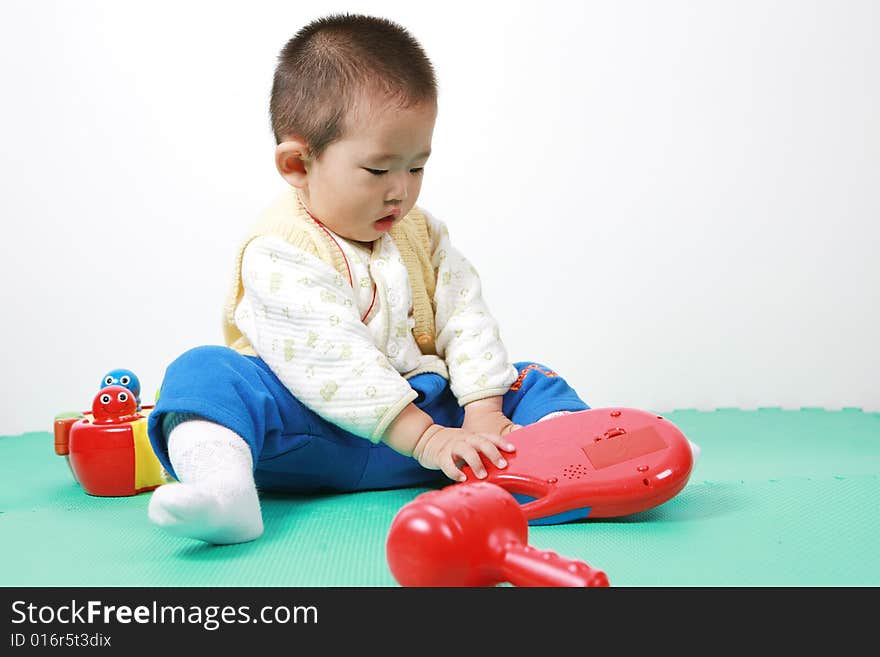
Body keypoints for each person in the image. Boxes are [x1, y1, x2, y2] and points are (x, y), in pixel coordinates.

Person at [146, 13, 590, 545]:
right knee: (203, 376)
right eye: (379, 170)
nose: (400, 190)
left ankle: (583, 466)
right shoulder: (280, 248)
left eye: (417, 166)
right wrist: (425, 440)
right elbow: (332, 356)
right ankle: (225, 491)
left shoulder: (421, 232)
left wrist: (481, 414)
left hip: (437, 425)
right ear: (297, 164)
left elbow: (464, 313)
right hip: (312, 431)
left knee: (527, 380)